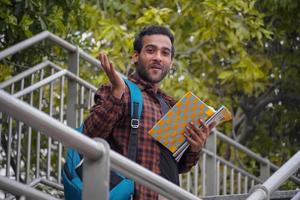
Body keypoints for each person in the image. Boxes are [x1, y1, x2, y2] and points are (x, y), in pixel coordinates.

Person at [83, 25, 215, 200]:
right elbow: (91, 135)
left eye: (165, 53)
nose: (158, 58)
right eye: (151, 50)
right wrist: (116, 92)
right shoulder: (120, 90)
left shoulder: (172, 107)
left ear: (171, 62)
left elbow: (180, 166)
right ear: (136, 56)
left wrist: (195, 147)